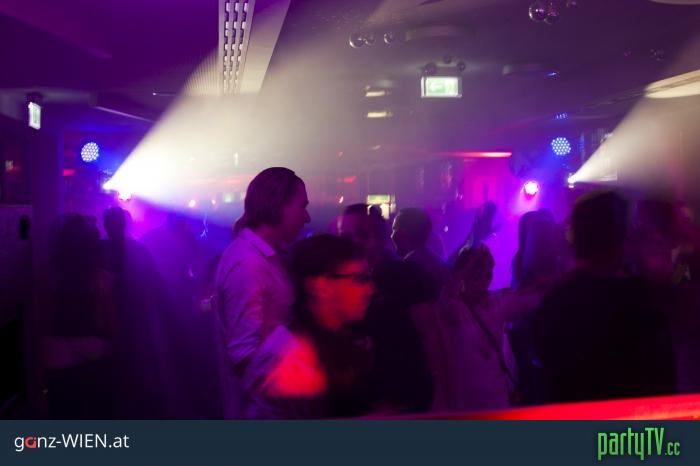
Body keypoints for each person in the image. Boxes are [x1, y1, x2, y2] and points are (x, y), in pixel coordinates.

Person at [532, 191, 676, 403]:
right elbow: (659, 375)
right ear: (619, 238)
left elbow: (546, 374)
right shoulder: (637, 299)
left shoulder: (555, 298)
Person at [215, 167, 310, 418]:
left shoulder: (263, 256)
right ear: (279, 205)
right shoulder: (248, 263)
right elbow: (244, 354)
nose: (307, 217)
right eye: (302, 206)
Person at [263, 234, 376, 418]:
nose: (371, 289)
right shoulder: (295, 356)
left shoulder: (343, 338)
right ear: (320, 286)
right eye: (359, 278)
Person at [433, 245, 514, 411]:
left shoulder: (497, 303)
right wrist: (467, 265)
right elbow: (448, 293)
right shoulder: (455, 308)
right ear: (465, 276)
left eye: (488, 275)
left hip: (497, 396)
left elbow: (531, 297)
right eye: (477, 275)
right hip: (468, 400)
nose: (484, 281)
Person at [338, 204, 394, 270]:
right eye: (346, 237)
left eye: (362, 235)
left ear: (381, 237)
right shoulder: (335, 271)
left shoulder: (399, 274)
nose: (353, 243)